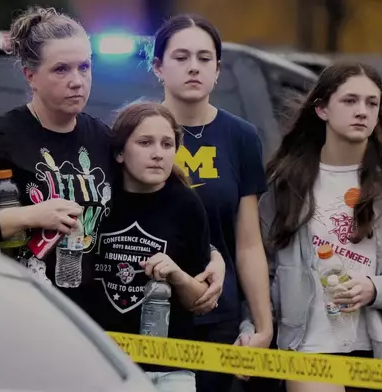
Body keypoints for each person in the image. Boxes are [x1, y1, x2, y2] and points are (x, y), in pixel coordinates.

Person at [0, 6, 225, 315]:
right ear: (31, 76)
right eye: (61, 70)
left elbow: (157, 203)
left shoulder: (101, 139)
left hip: (81, 322)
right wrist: (31, 216)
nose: (77, 81)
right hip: (11, 311)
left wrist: (211, 256)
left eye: (84, 67)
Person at [240, 61, 382, 392]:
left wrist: (376, 288)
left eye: (372, 103)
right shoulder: (287, 180)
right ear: (321, 108)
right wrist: (251, 325)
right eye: (350, 101)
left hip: (375, 347)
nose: (362, 112)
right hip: (306, 344)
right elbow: (260, 267)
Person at [150, 14, 274, 392]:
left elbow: (249, 243)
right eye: (181, 57)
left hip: (216, 315)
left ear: (218, 70)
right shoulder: (135, 131)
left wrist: (263, 326)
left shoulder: (241, 136)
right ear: (158, 67)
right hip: (142, 309)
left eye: (205, 59)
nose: (193, 67)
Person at [87, 101, 212, 391]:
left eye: (167, 144)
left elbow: (200, 302)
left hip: (170, 371)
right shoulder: (98, 198)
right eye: (145, 142)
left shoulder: (187, 205)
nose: (158, 153)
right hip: (105, 366)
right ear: (119, 152)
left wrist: (177, 275)